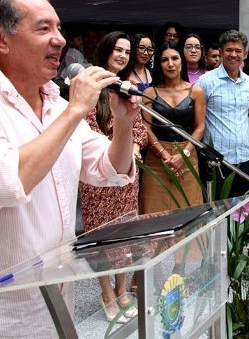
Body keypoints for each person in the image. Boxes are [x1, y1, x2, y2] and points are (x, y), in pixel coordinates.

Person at [0, 0, 138, 336]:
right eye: (44, 29)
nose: (60, 40)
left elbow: (108, 169)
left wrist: (123, 123)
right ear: (0, 38)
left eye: (59, 28)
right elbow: (6, 182)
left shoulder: (56, 104)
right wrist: (76, 110)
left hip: (56, 298)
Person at [79, 31, 146, 323]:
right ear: (106, 50)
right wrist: (117, 150)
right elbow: (87, 133)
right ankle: (106, 292)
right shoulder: (90, 87)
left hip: (126, 176)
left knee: (125, 234)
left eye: (127, 52)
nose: (122, 55)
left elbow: (139, 128)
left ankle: (122, 290)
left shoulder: (127, 87)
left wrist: (134, 147)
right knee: (101, 237)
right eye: (118, 49)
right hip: (97, 178)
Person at [141, 42, 206, 213]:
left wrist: (183, 155)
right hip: (156, 157)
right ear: (159, 64)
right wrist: (164, 155)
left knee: (189, 210)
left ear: (182, 61)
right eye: (165, 60)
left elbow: (200, 127)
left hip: (187, 154)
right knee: (153, 212)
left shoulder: (196, 91)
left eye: (175, 58)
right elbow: (146, 129)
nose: (170, 64)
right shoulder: (149, 93)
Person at [196, 30, 249, 196]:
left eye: (238, 51)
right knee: (217, 208)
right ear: (221, 52)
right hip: (216, 162)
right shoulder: (205, 82)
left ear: (245, 54)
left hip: (245, 159)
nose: (233, 55)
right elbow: (196, 121)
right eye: (229, 50)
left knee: (245, 210)